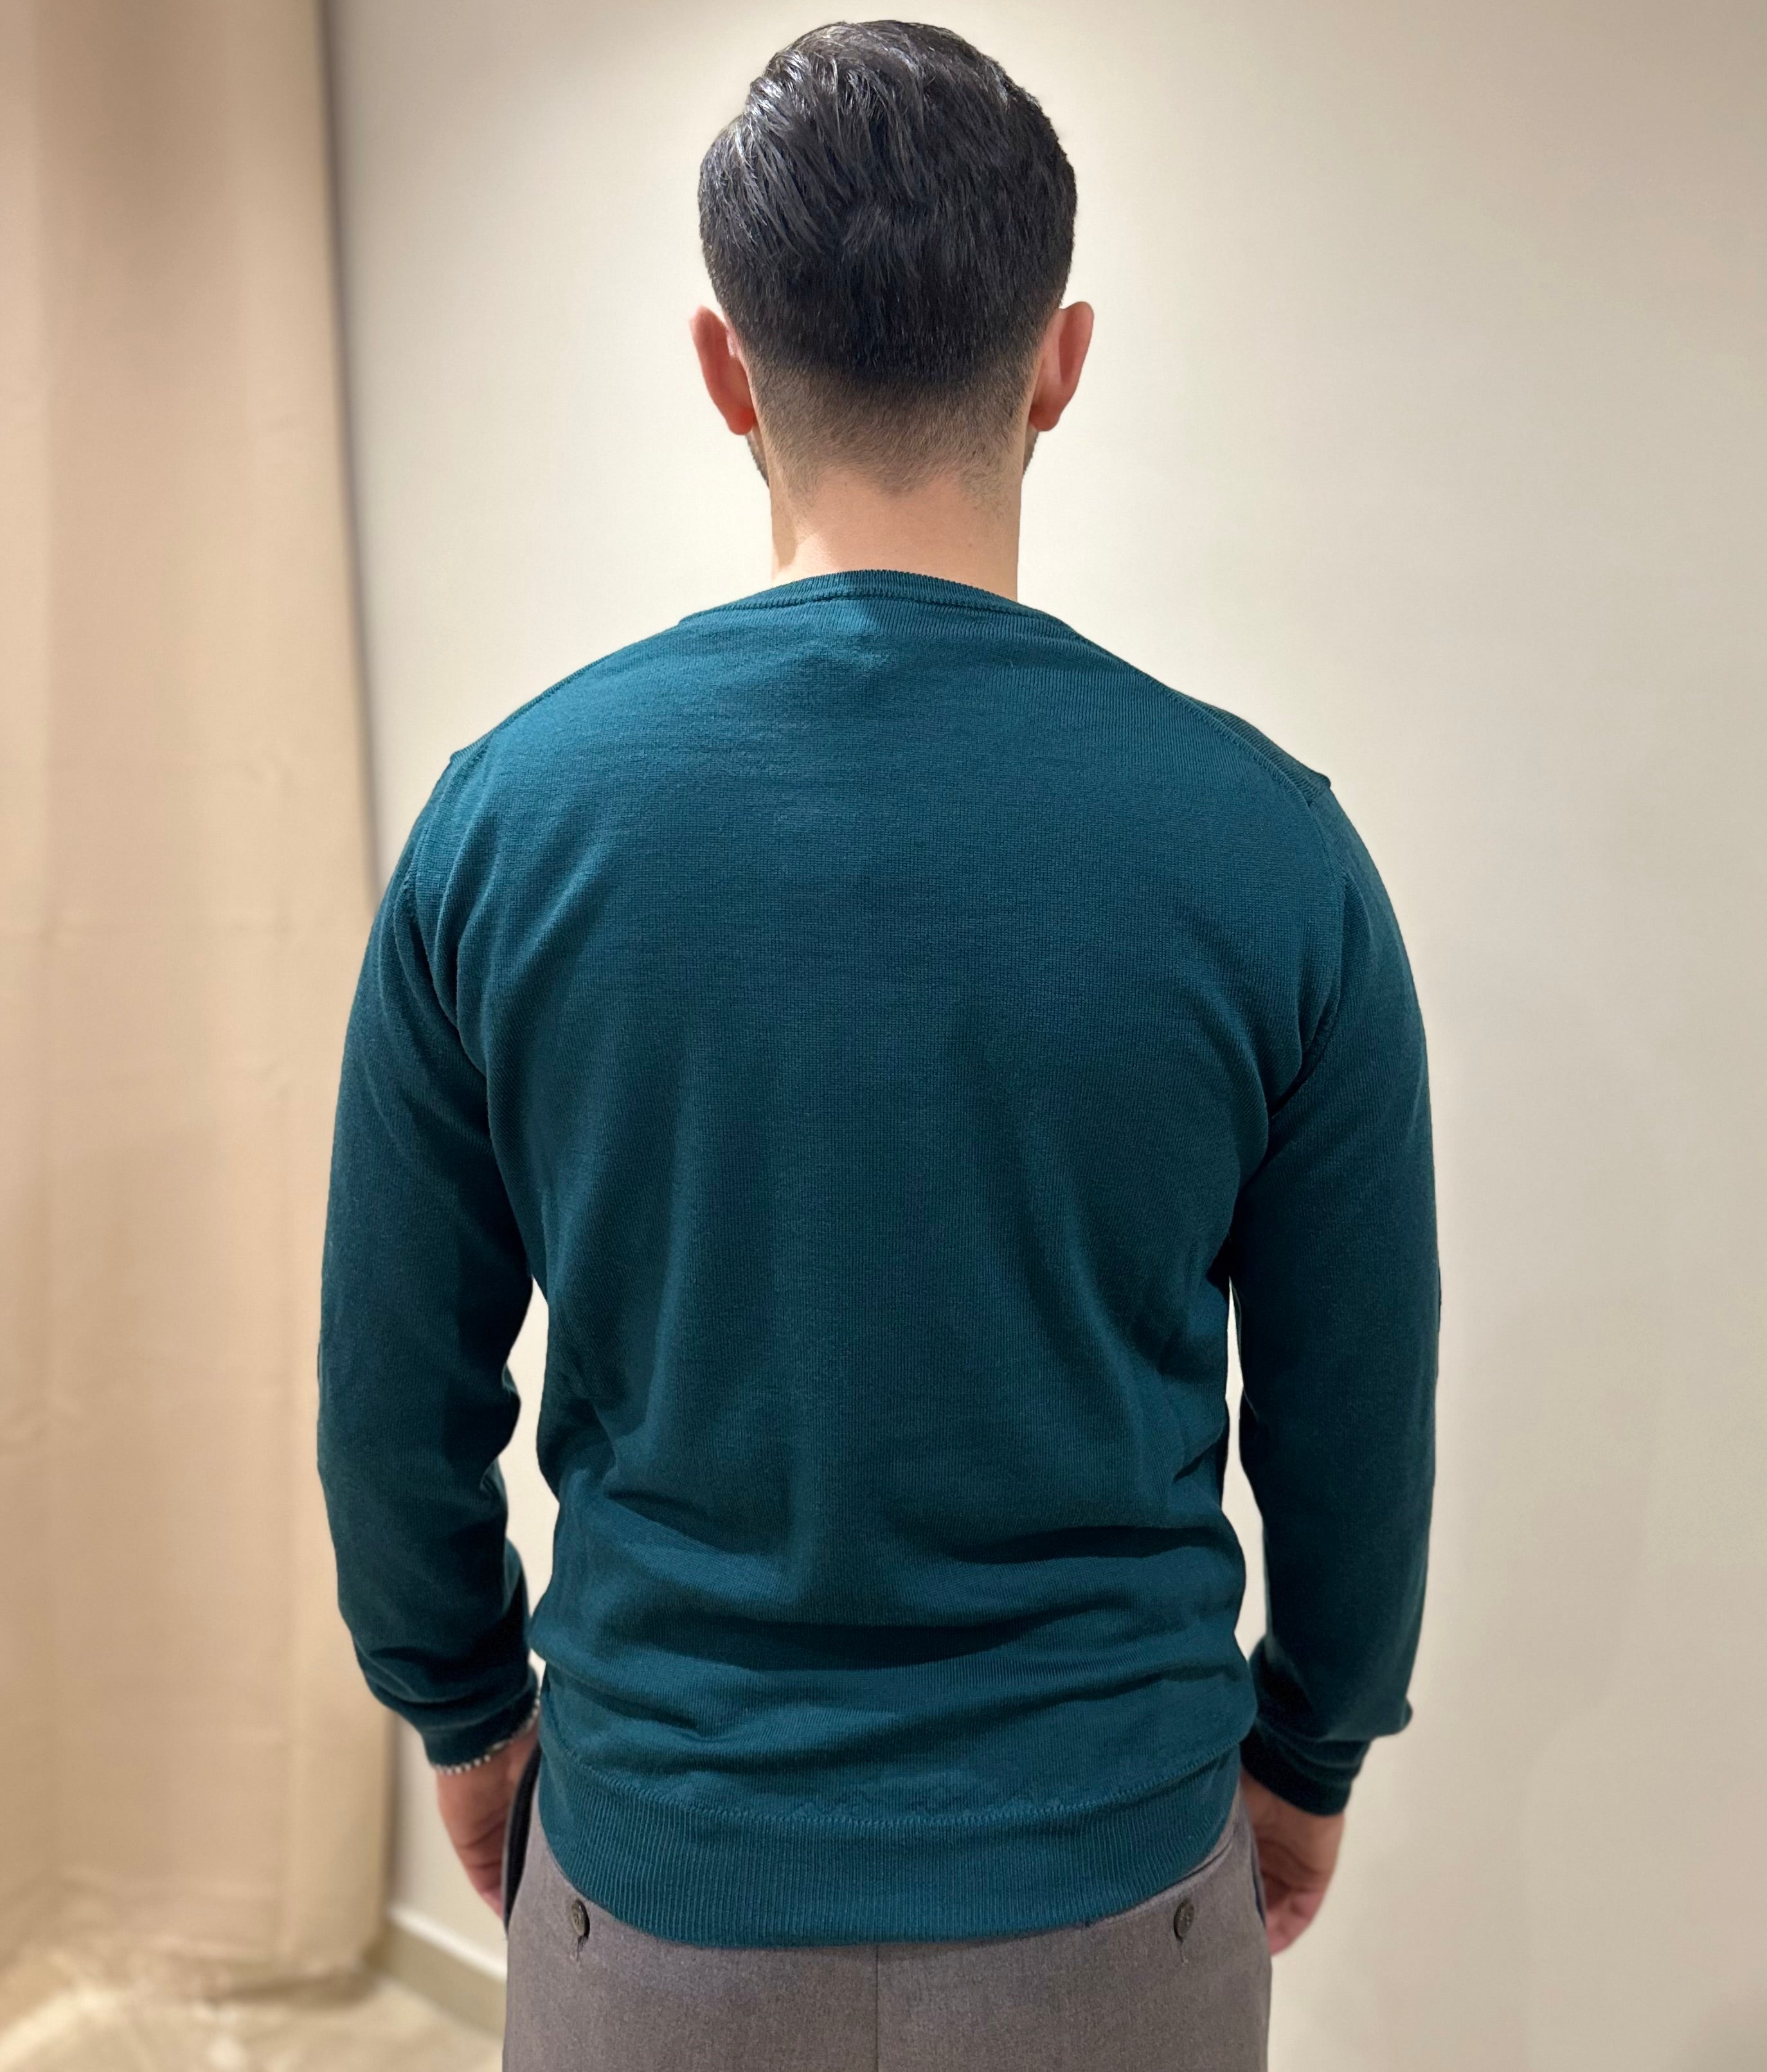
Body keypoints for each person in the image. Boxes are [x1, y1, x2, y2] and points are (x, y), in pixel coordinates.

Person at [316, 19, 1439, 2071]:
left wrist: (463, 1715)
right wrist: (1314, 1748)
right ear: (1060, 364)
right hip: (1116, 1899)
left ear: (725, 369)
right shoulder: (1272, 854)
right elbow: (1354, 1419)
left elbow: (392, 1393)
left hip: (658, 1892)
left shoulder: (507, 828)